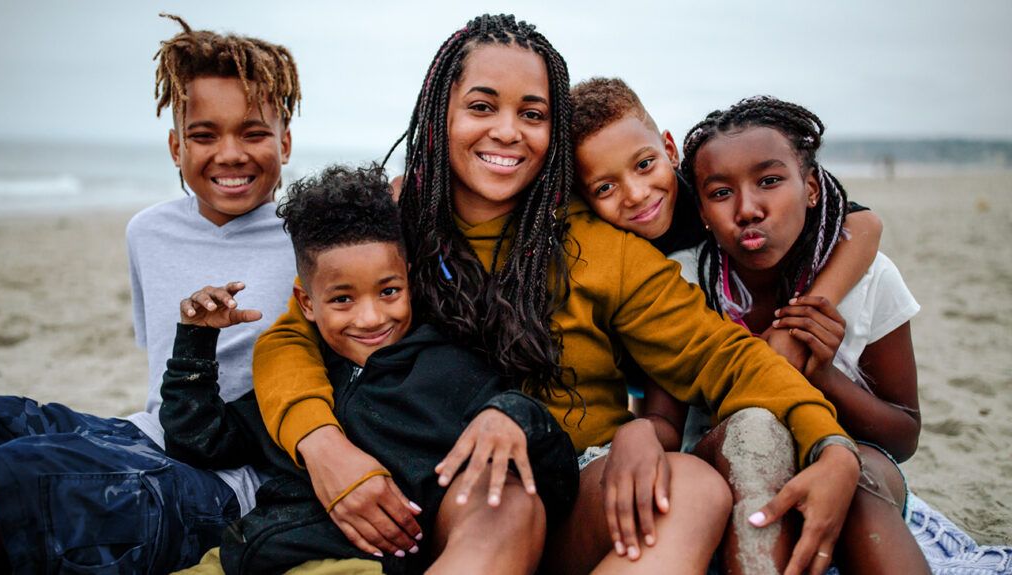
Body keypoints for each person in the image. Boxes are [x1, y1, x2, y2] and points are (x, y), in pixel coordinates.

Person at [252, 14, 861, 575]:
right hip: (428, 494)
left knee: (693, 489)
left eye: (533, 114)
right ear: (442, 111)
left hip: (571, 491)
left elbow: (720, 355)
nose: (508, 132)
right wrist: (322, 445)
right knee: (499, 502)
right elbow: (288, 337)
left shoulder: (599, 247)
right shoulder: (392, 224)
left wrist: (829, 442)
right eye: (483, 106)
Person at [0, 15, 299, 573]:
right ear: (176, 146)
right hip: (143, 433)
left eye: (253, 133)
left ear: (286, 140)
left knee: (16, 476)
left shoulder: (312, 241)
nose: (230, 153)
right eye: (204, 135)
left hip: (226, 478)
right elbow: (157, 366)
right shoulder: (146, 231)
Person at [159, 165, 578, 574]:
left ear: (409, 281)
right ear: (307, 303)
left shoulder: (449, 369)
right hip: (242, 555)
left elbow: (552, 473)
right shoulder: (305, 382)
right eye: (343, 299)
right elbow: (199, 441)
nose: (371, 317)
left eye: (389, 291)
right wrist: (196, 342)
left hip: (353, 563)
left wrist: (510, 414)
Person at [674, 95, 1012, 574]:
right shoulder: (687, 282)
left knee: (854, 475)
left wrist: (825, 376)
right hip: (727, 471)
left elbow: (904, 434)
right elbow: (671, 428)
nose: (748, 209)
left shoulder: (870, 278)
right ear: (702, 209)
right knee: (757, 438)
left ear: (811, 187)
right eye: (721, 192)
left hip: (858, 474)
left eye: (770, 181)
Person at [569, 78, 888, 571]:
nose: (635, 194)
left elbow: (862, 224)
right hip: (670, 387)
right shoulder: (609, 251)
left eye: (646, 164)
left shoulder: (710, 201)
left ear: (668, 149)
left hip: (727, 373)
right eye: (605, 187)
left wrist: (804, 313)